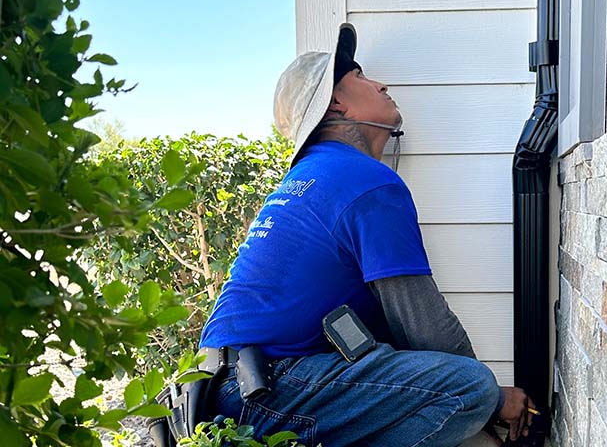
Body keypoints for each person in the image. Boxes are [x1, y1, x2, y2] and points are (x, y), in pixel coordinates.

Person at [198, 23, 536, 446]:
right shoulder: (363, 180)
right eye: (360, 76)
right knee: (471, 387)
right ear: (336, 102)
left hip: (225, 388)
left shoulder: (314, 175)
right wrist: (493, 402)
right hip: (264, 388)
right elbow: (422, 321)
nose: (381, 83)